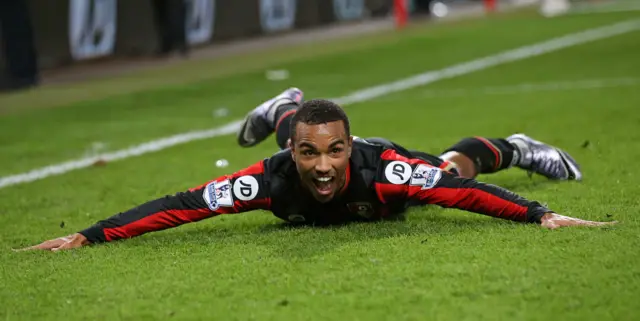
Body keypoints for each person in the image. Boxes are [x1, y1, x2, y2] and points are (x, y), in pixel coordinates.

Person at [20, 88, 614, 251]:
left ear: (350, 144)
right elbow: (186, 204)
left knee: (448, 168)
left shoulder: (387, 172)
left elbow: (466, 196)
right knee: (302, 139)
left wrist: (540, 216)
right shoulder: (275, 176)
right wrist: (89, 235)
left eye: (336, 151)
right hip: (298, 143)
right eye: (311, 154)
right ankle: (286, 109)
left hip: (395, 165)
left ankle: (513, 145)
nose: (325, 166)